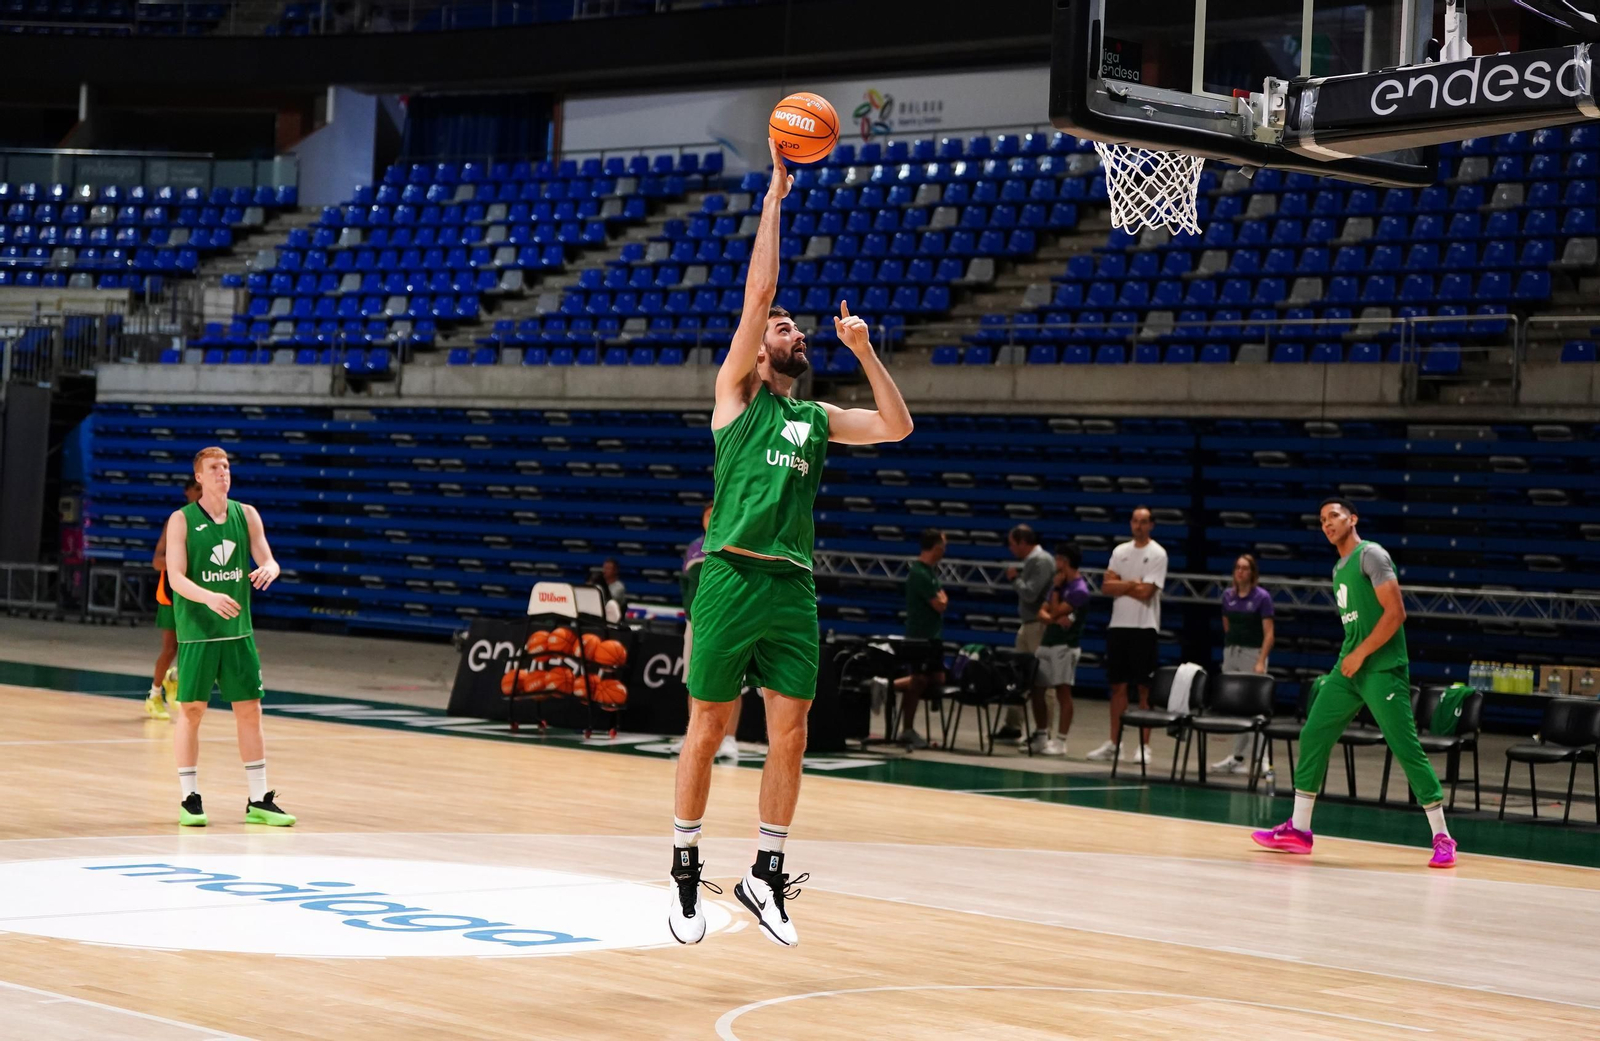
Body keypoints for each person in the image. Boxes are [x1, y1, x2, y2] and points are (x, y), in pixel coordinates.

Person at [668, 138, 914, 948]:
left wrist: (864, 350)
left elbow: (896, 426)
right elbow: (760, 289)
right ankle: (683, 863)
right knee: (709, 730)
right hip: (732, 577)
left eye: (797, 329)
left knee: (793, 732)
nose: (792, 329)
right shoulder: (736, 396)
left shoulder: (815, 419)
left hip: (792, 587)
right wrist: (775, 199)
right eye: (784, 327)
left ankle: (765, 873)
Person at [1252, 497, 1456, 868]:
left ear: (1353, 519)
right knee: (1314, 733)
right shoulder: (1337, 568)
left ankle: (1442, 836)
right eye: (1322, 519)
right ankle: (1299, 830)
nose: (1327, 523)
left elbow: (1396, 614)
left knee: (1404, 747)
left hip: (1381, 668)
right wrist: (1353, 656)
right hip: (1349, 669)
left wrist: (1361, 654)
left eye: (1334, 516)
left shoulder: (1371, 555)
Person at [164, 446, 295, 829]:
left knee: (250, 710)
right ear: (199, 477)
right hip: (198, 633)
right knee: (192, 711)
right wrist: (209, 597)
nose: (222, 472)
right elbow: (176, 578)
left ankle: (258, 799)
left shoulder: (247, 514)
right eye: (213, 468)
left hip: (238, 632)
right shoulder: (181, 520)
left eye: (225, 466)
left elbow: (267, 557)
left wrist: (270, 568)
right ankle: (189, 798)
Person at [1088, 506, 1167, 764]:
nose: (1139, 526)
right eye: (1135, 521)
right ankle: (1115, 742)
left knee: (1144, 688)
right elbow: (1106, 586)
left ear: (1151, 525)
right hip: (1118, 626)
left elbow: (1147, 593)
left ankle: (1144, 747)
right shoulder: (1119, 552)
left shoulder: (1158, 554)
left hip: (1144, 627)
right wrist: (1135, 582)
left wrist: (1124, 584)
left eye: (1144, 522)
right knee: (1117, 686)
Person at [681, 502, 739, 761]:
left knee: (734, 683)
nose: (711, 517)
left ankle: (730, 739)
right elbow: (686, 587)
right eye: (707, 514)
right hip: (696, 624)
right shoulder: (694, 548)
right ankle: (693, 735)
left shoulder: (734, 541)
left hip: (728, 624)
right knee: (694, 682)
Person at [1211, 553, 1277, 775]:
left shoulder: (1262, 598)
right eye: (1237, 567)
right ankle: (1237, 758)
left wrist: (1260, 661)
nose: (1240, 571)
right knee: (1236, 708)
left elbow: (1269, 634)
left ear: (1252, 572)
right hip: (1232, 653)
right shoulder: (1228, 596)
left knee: (1255, 709)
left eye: (1245, 568)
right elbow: (1227, 625)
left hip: (1253, 654)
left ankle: (1264, 760)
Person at [146, 477, 203, 719]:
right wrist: (175, 564)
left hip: (198, 594)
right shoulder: (177, 520)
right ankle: (154, 695)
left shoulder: (213, 522)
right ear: (187, 492)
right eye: (197, 489)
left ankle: (174, 678)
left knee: (195, 647)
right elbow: (156, 561)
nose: (201, 494)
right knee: (170, 648)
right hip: (172, 595)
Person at [1029, 542, 1091, 756]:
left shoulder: (1078, 590)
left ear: (1064, 561)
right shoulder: (1059, 584)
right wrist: (1054, 619)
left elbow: (1054, 611)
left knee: (1063, 692)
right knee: (1036, 689)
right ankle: (1041, 735)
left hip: (1065, 646)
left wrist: (1055, 594)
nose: (1056, 563)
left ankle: (1061, 741)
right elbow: (1042, 613)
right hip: (1047, 643)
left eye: (1058, 559)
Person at [1000, 524, 1055, 743]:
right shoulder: (1032, 561)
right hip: (1028, 624)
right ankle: (1012, 726)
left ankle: (1045, 730)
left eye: (1012, 544)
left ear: (1023, 542)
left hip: (1038, 626)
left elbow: (1031, 594)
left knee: (1042, 679)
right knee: (1017, 676)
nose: (1011, 549)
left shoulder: (1041, 561)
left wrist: (1014, 579)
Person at [894, 528, 948, 749]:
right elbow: (940, 603)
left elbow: (942, 601)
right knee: (918, 681)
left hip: (933, 638)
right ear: (936, 547)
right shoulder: (920, 573)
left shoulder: (931, 573)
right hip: (920, 638)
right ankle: (906, 727)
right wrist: (943, 599)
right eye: (943, 547)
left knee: (936, 679)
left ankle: (890, 685)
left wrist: (942, 600)